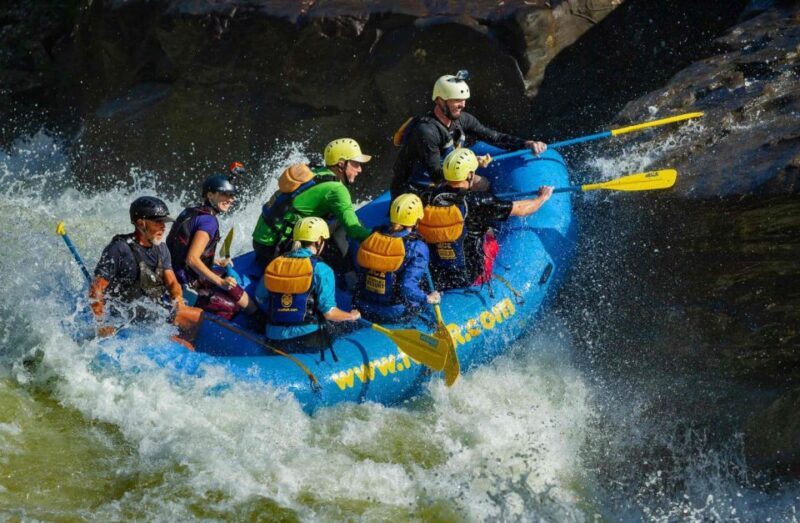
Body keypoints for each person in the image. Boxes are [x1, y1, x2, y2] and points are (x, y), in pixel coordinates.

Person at [390, 70, 548, 199]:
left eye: (464, 100)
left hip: (443, 178)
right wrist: (471, 164)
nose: (463, 105)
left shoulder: (462, 120)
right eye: (457, 100)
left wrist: (526, 143)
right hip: (415, 188)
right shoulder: (426, 132)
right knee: (475, 186)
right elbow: (437, 176)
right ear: (440, 100)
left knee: (484, 184)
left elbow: (493, 136)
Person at [419, 148, 554, 290]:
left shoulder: (427, 197)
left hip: (436, 273)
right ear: (471, 174)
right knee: (490, 235)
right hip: (466, 276)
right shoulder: (477, 202)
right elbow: (521, 209)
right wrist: (542, 198)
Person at [251, 138, 373, 273]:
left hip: (261, 245)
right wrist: (380, 237)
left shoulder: (315, 171)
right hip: (278, 251)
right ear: (341, 164)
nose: (360, 169)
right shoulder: (337, 190)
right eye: (356, 164)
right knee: (343, 225)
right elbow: (354, 231)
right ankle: (347, 274)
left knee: (332, 220)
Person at [255, 217, 361, 351]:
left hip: (273, 338)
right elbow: (330, 313)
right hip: (308, 338)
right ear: (319, 241)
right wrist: (351, 316)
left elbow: (260, 297)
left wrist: (283, 313)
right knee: (344, 328)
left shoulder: (276, 264)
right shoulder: (321, 269)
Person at [89, 196, 184, 336]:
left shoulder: (162, 249)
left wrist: (179, 304)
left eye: (164, 222)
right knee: (192, 318)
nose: (163, 227)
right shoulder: (118, 249)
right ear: (141, 223)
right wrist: (101, 324)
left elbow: (172, 284)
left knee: (190, 320)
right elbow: (96, 289)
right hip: (123, 318)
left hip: (152, 315)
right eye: (158, 222)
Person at [166, 174, 256, 319]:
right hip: (186, 285)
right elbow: (192, 260)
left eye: (232, 195)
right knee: (231, 307)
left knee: (228, 277)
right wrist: (220, 282)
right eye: (225, 194)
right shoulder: (209, 222)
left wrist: (215, 261)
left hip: (174, 273)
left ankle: (255, 312)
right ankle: (255, 318)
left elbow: (183, 248)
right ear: (210, 195)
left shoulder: (191, 211)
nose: (231, 199)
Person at [353, 193, 440, 323]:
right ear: (416, 220)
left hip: (362, 306)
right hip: (394, 312)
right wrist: (427, 298)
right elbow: (407, 287)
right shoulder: (417, 247)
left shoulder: (373, 235)